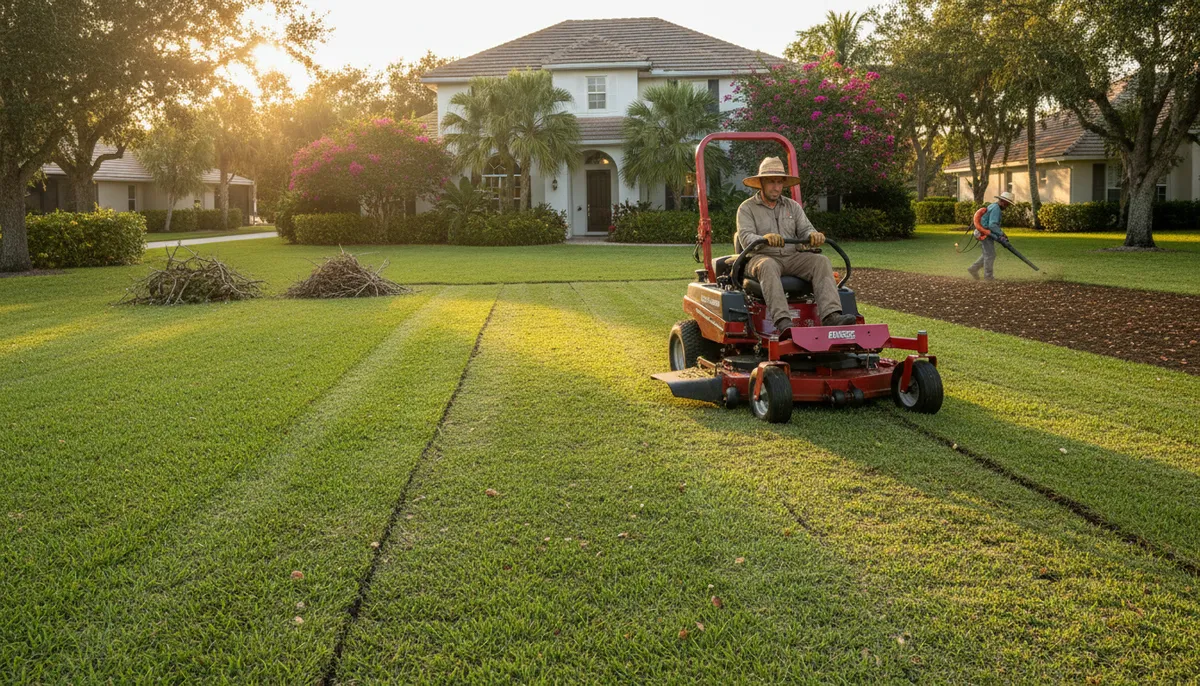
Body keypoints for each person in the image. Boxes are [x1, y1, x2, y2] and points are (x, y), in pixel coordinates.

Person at [735, 156, 856, 333]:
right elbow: (745, 237)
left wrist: (813, 235)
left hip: (792, 257)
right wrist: (765, 238)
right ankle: (783, 322)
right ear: (761, 183)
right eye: (771, 182)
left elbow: (806, 229)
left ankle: (831, 316)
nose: (776, 187)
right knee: (767, 265)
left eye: (779, 182)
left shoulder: (792, 206)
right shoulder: (746, 208)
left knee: (821, 261)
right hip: (761, 257)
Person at [969, 191, 1014, 281]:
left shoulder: (993, 206)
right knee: (990, 255)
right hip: (984, 233)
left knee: (988, 254)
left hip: (983, 232)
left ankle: (973, 269)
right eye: (1007, 204)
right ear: (1003, 201)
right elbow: (992, 225)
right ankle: (988, 277)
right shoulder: (996, 209)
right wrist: (1002, 234)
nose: (1007, 206)